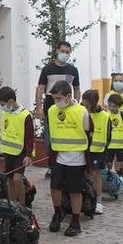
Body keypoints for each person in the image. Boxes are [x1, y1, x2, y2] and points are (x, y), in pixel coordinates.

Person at [46, 80, 91, 236]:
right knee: (55, 187)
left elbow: (87, 132)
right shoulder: (52, 111)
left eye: (59, 98)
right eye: (54, 99)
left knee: (75, 191)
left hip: (77, 158)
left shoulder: (82, 111)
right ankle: (57, 214)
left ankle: (75, 221)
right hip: (58, 156)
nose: (56, 102)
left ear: (68, 96)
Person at [34, 42, 81, 176]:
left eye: (67, 52)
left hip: (68, 107)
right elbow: (40, 89)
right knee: (50, 138)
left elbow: (77, 88)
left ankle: (65, 164)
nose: (65, 54)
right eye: (63, 51)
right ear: (57, 50)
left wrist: (77, 104)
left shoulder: (73, 70)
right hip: (51, 106)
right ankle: (52, 165)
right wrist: (39, 108)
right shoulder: (48, 69)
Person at [0, 87, 34, 203]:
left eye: (3, 104)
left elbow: (29, 137)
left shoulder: (25, 115)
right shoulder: (6, 113)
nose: (2, 107)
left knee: (17, 179)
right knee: (10, 179)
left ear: (11, 101)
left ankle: (22, 205)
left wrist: (28, 154)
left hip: (21, 152)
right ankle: (12, 203)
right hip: (8, 152)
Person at [81, 89, 108, 214]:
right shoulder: (82, 113)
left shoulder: (104, 115)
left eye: (87, 104)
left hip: (98, 150)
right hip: (83, 148)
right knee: (85, 174)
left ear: (94, 102)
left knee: (96, 174)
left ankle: (98, 201)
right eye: (83, 104)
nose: (85, 107)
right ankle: (86, 198)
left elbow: (108, 135)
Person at [105, 93, 123, 193]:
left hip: (121, 145)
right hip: (108, 146)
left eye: (114, 106)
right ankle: (109, 183)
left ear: (119, 106)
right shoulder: (106, 114)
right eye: (110, 105)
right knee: (108, 165)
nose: (112, 108)